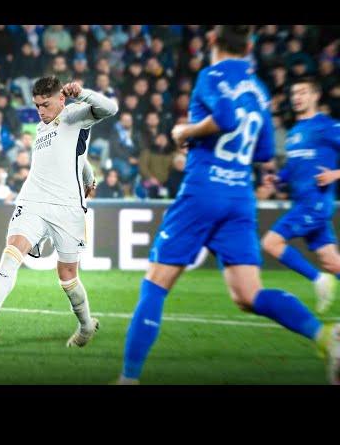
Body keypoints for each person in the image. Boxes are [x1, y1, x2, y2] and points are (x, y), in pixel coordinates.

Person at [117, 25, 340, 385]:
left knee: (155, 285)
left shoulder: (211, 74)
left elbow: (226, 118)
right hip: (240, 197)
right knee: (248, 295)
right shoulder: (258, 88)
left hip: (204, 191)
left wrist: (185, 133)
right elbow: (265, 151)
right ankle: (324, 336)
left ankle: (128, 379)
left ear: (212, 41)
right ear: (249, 45)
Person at [0, 76, 117, 347]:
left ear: (62, 98)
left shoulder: (76, 114)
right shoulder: (40, 128)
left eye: (45, 105)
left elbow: (111, 109)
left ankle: (85, 326)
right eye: (37, 106)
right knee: (12, 252)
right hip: (33, 201)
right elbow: (72, 155)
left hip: (67, 208)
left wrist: (82, 94)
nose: (40, 111)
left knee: (68, 276)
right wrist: (88, 173)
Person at [261, 77, 340, 314]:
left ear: (315, 96)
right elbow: (295, 168)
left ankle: (318, 280)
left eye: (303, 92)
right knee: (332, 261)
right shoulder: (294, 132)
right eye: (294, 93)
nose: (297, 97)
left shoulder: (327, 126)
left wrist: (336, 173)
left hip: (314, 204)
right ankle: (325, 275)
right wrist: (279, 179)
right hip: (304, 202)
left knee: (270, 242)